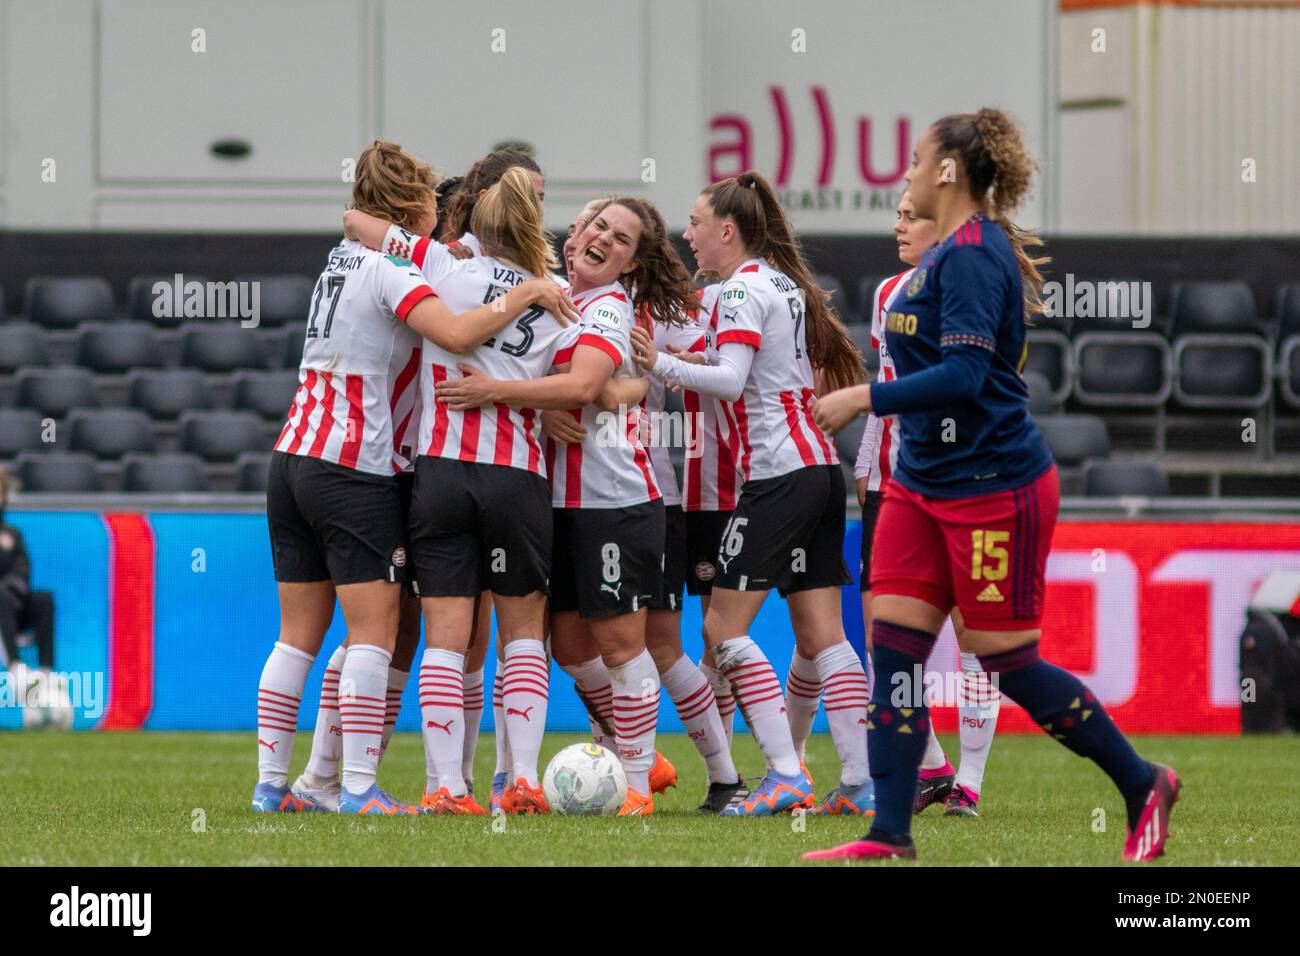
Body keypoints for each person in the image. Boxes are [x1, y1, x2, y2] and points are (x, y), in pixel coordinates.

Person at [807, 109, 1179, 861]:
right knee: (897, 654)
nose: (907, 172)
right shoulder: (943, 255)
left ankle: (1144, 783)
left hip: (993, 484)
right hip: (920, 482)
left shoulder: (976, 254)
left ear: (948, 170)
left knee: (1007, 662)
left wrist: (861, 400)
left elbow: (967, 374)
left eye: (916, 159)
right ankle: (889, 835)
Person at [253, 141, 572, 816]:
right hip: (368, 464)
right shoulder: (407, 270)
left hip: (300, 454)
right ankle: (375, 787)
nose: (441, 209)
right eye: (431, 199)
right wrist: (527, 303)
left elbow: (353, 221)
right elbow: (456, 335)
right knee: (385, 633)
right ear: (413, 207)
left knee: (312, 638)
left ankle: (289, 784)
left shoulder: (353, 263)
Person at [437, 197, 698, 815]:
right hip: (549, 499)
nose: (606, 239)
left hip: (614, 500)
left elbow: (588, 386)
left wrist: (498, 393)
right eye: (600, 226)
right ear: (575, 231)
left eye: (623, 239)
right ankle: (638, 756)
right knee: (569, 647)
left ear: (631, 263)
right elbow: (596, 388)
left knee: (619, 643)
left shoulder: (608, 306)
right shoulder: (550, 292)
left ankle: (637, 783)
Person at [629, 170, 871, 817]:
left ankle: (786, 774)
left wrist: (656, 363)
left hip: (780, 474)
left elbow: (731, 381)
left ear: (726, 231)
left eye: (697, 223)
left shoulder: (739, 290)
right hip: (821, 468)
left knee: (720, 626)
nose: (689, 235)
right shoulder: (784, 286)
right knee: (825, 636)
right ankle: (857, 782)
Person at [340, 166, 580, 814]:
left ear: (476, 218)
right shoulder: (558, 292)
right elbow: (578, 385)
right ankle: (521, 779)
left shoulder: (439, 266)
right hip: (518, 477)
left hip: (441, 473)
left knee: (445, 636)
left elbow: (356, 223)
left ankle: (446, 785)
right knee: (523, 633)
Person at [856, 192, 1001, 818]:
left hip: (961, 484)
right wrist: (864, 469)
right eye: (896, 215)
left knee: (973, 635)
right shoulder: (887, 293)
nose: (897, 226)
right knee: (883, 638)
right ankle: (935, 766)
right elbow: (887, 385)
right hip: (890, 487)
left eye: (909, 216)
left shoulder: (973, 295)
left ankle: (970, 779)